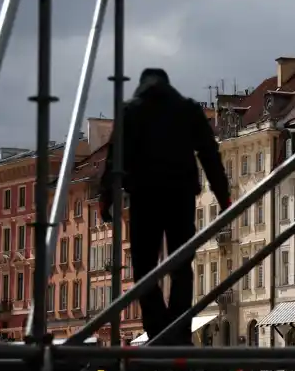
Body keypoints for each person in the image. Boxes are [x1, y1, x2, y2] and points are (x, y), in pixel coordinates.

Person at [99, 68, 231, 355]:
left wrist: (105, 198)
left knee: (144, 266)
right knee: (181, 264)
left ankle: (157, 328)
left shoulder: (131, 112)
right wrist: (223, 196)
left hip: (145, 196)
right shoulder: (187, 109)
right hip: (180, 195)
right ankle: (180, 328)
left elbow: (114, 160)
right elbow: (209, 153)